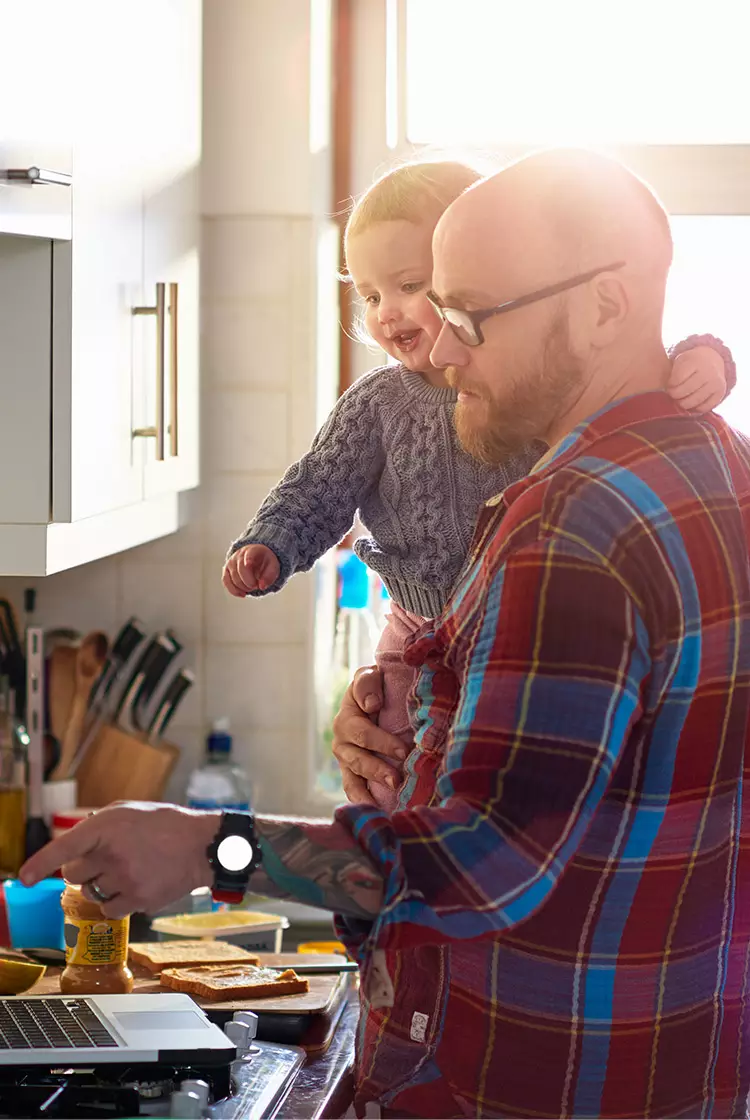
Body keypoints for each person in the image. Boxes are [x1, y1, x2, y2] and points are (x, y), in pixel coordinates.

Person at [22, 148, 750, 1119]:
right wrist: (424, 709)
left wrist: (208, 847)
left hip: (519, 1087)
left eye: (471, 317)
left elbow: (482, 861)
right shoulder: (716, 469)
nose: (442, 356)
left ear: (606, 306)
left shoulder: (570, 525)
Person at [221, 159, 733, 811]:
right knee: (392, 783)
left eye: (451, 305)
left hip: (485, 640)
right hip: (417, 625)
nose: (395, 320)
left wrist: (701, 359)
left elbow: (474, 856)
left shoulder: (574, 508)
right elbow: (317, 487)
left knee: (414, 804)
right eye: (370, 296)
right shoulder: (382, 404)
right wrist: (273, 543)